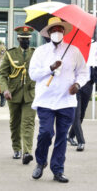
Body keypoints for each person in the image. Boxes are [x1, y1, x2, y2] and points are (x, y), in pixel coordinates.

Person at [29, 17, 89, 183]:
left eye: (60, 30)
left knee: (62, 137)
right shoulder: (40, 51)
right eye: (54, 30)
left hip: (66, 101)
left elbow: (84, 73)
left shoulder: (74, 51)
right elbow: (32, 74)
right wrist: (50, 68)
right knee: (46, 133)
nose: (57, 33)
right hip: (45, 100)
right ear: (48, 33)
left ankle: (58, 170)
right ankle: (40, 162)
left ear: (64, 32)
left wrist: (78, 84)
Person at [0, 26, 36, 164]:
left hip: (30, 94)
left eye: (27, 40)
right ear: (18, 39)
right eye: (23, 39)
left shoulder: (35, 53)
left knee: (28, 123)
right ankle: (16, 148)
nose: (25, 42)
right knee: (15, 124)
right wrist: (5, 90)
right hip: (13, 94)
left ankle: (27, 152)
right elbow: (3, 74)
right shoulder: (11, 54)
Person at [68, 66, 97, 151]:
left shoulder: (93, 56)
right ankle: (81, 142)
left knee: (82, 115)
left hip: (88, 85)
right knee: (76, 115)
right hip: (76, 86)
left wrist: (94, 78)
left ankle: (71, 136)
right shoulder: (76, 54)